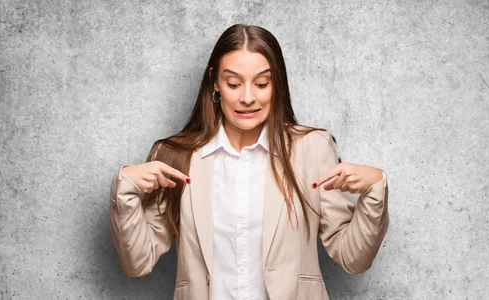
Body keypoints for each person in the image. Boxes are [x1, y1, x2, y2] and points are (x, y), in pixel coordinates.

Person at [109, 24, 389, 300]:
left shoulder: (312, 149)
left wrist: (375, 190)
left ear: (277, 84)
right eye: (233, 83)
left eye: (261, 83)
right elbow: (138, 263)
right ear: (215, 82)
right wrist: (126, 189)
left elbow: (353, 259)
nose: (247, 97)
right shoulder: (174, 155)